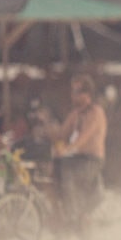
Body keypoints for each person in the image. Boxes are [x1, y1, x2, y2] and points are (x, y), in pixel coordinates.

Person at [39, 73, 108, 218]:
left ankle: (74, 215)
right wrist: (46, 124)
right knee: (49, 173)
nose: (73, 95)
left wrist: (67, 149)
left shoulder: (96, 113)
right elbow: (61, 134)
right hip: (76, 157)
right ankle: (59, 212)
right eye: (72, 91)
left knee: (68, 172)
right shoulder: (75, 114)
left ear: (87, 94)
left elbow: (84, 137)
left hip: (91, 160)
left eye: (77, 92)